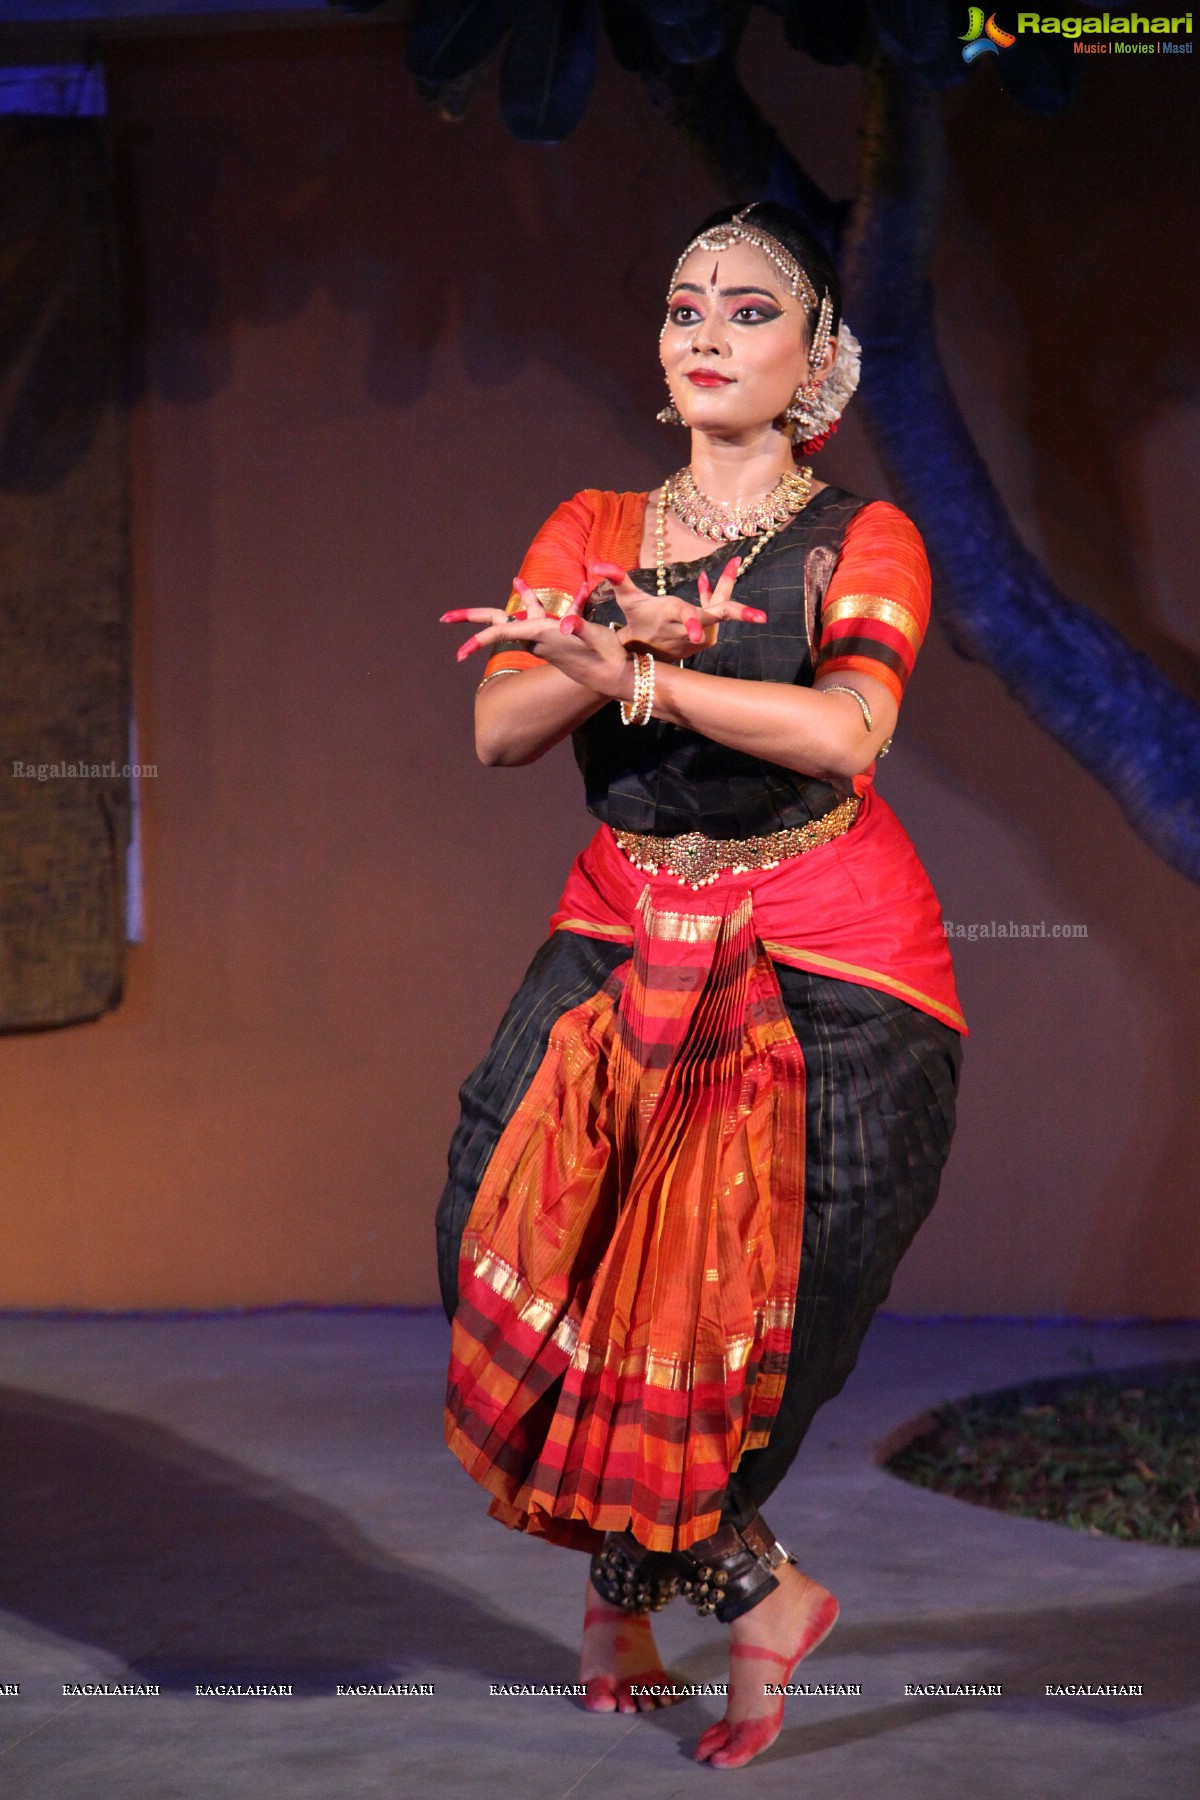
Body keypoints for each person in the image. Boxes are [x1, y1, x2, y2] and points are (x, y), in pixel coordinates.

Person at [435, 200, 966, 1771]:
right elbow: (500, 728)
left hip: (831, 952)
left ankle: (656, 1603)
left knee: (754, 1312)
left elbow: (847, 736)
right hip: (624, 923)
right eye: (685, 309)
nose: (708, 333)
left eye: (749, 311)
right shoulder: (594, 524)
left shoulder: (863, 540)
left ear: (815, 360)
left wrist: (661, 677)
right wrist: (598, 636)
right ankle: (744, 1590)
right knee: (510, 1223)